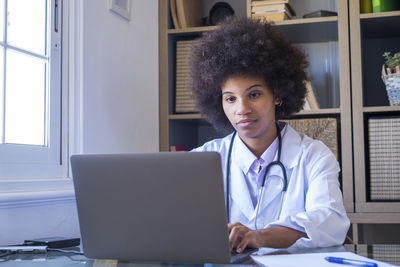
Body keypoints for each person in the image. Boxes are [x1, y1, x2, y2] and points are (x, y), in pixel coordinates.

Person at [189, 17, 350, 252]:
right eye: (230, 98)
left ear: (277, 94)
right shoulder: (202, 159)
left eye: (254, 95)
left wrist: (260, 236)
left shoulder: (313, 155)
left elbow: (330, 221)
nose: (242, 109)